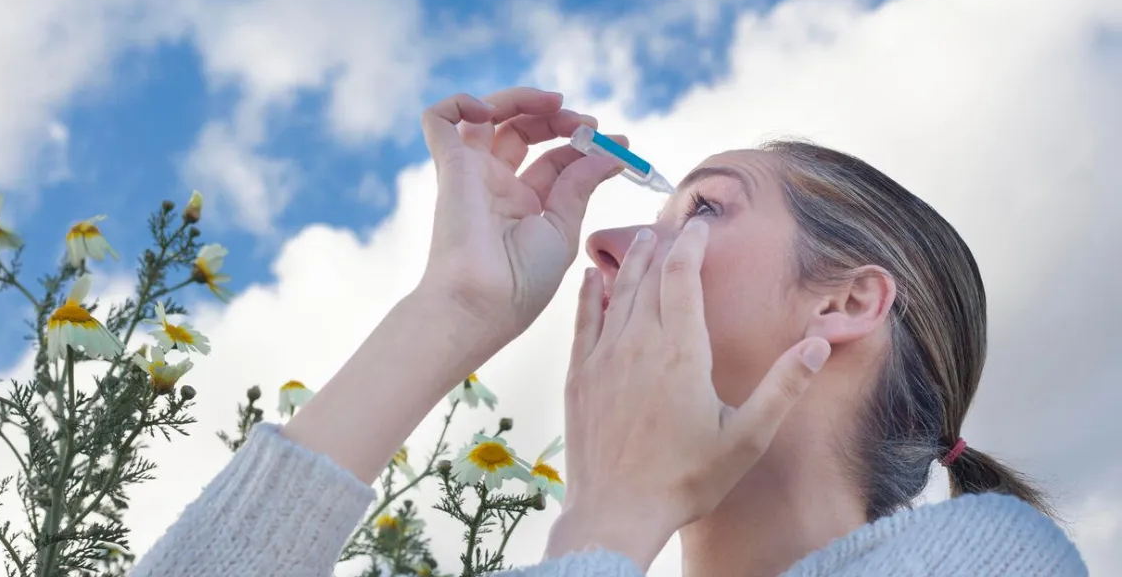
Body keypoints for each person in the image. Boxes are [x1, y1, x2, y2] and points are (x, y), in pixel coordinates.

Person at [130, 88, 1087, 576]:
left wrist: (609, 519)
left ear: (842, 305)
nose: (609, 244)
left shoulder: (997, 558)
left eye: (703, 210)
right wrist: (453, 310)